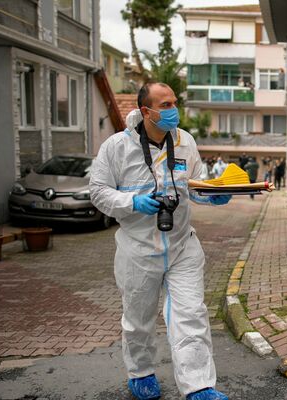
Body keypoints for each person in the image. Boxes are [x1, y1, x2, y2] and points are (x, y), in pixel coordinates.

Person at [89, 82, 230, 400]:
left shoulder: (185, 141)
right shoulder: (117, 147)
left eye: (174, 103)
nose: (173, 110)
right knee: (138, 319)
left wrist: (212, 195)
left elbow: (194, 185)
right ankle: (141, 373)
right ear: (146, 111)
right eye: (165, 105)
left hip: (182, 245)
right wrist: (132, 202)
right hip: (137, 249)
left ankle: (199, 385)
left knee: (191, 314)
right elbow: (97, 192)